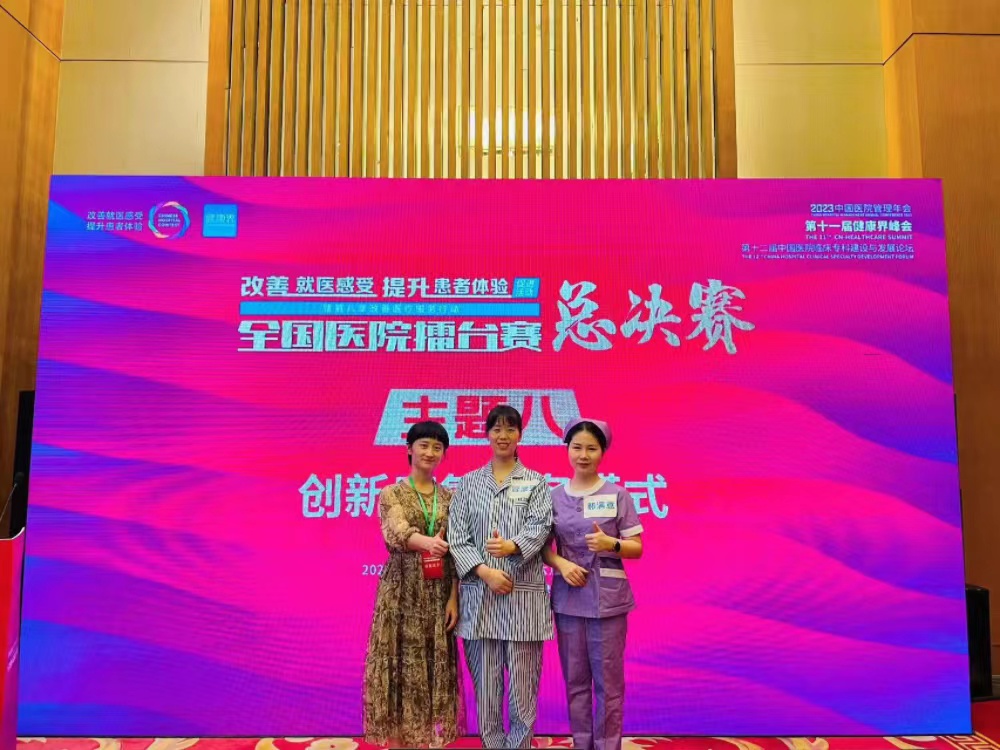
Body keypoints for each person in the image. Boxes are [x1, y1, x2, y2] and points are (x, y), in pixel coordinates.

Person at [447, 404, 554, 749]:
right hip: (480, 599)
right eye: (496, 429)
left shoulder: (536, 482)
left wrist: (512, 547)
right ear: (486, 434)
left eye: (510, 429)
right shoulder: (468, 484)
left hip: (523, 599)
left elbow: (540, 528)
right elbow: (457, 538)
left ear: (520, 434)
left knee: (523, 690)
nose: (503, 435)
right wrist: (484, 572)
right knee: (487, 690)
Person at [542, 418, 644, 750]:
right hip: (568, 598)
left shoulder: (618, 495)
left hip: (608, 601)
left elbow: (637, 547)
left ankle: (608, 745)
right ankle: (582, 743)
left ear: (602, 452)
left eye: (591, 448)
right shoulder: (553, 497)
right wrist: (561, 563)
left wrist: (610, 544)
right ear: (567, 450)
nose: (583, 455)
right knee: (575, 681)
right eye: (577, 447)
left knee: (609, 684)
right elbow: (542, 547)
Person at [363, 421, 463, 748]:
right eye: (424, 445)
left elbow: (456, 554)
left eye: (437, 447)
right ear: (409, 449)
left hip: (438, 595)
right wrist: (428, 543)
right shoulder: (391, 493)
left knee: (433, 671)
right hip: (400, 595)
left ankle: (427, 741)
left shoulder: (450, 498)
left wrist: (454, 598)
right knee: (398, 671)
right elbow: (397, 532)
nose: (430, 452)